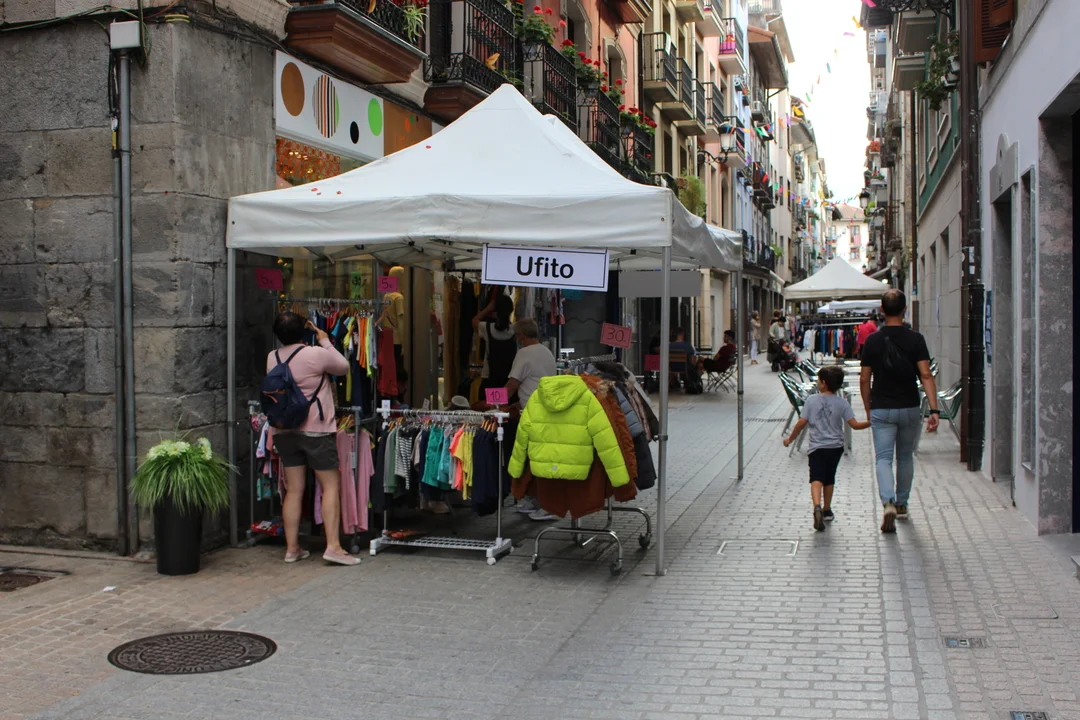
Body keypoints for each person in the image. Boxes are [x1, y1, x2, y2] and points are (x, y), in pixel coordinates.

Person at [266, 312, 361, 566]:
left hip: (284, 431)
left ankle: (292, 549)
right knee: (330, 485)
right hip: (315, 429)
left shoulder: (272, 357)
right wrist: (325, 340)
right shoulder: (315, 354)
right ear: (303, 331)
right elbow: (343, 367)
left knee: (294, 489)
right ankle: (333, 547)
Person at [859, 290, 940, 533]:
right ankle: (902, 504)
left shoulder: (872, 341)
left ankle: (888, 503)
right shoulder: (916, 339)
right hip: (909, 407)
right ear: (905, 310)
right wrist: (934, 410)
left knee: (883, 458)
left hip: (882, 407)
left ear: (882, 310)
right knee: (905, 457)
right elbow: (926, 374)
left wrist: (868, 408)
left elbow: (864, 379)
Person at [784, 366, 871, 531]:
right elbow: (854, 425)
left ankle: (816, 506)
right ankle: (827, 509)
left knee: (816, 477)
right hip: (835, 447)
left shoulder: (811, 401)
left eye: (819, 381)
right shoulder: (842, 403)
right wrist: (870, 423)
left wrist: (790, 439)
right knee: (830, 477)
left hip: (816, 447)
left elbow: (801, 423)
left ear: (823, 383)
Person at [504, 318, 559, 520]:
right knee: (536, 458)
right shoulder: (546, 352)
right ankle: (536, 499)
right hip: (546, 412)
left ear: (520, 336)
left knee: (535, 459)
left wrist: (493, 403)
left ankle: (548, 504)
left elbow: (512, 384)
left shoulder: (524, 354)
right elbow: (536, 383)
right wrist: (519, 403)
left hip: (534, 415)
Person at [473, 293, 518, 390]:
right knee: (505, 400)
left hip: (490, 378)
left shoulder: (487, 328)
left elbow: (474, 321)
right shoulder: (515, 328)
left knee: (490, 401)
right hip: (508, 379)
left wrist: (488, 308)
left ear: (495, 311)